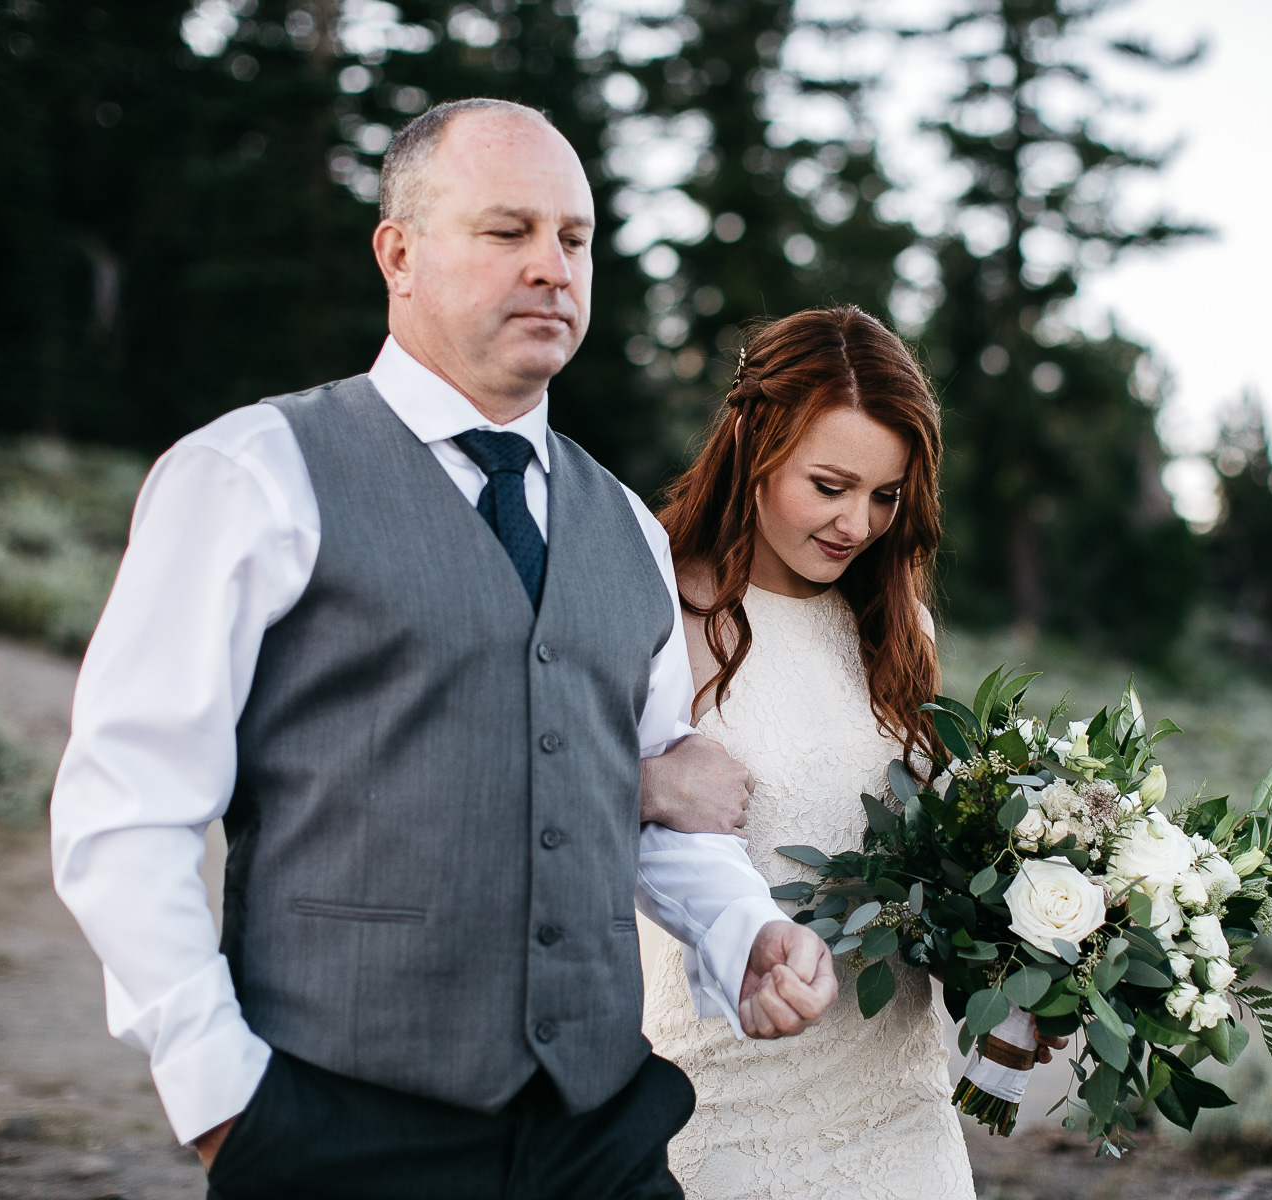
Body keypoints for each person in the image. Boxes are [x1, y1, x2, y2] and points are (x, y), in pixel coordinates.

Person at [48, 98, 836, 1200]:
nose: (552, 268)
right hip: (339, 1126)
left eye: (574, 238)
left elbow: (656, 804)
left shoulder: (626, 528)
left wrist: (739, 932)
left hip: (599, 1131)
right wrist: (221, 1095)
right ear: (400, 253)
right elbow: (127, 806)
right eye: (506, 232)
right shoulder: (250, 475)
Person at [638, 307, 973, 1198]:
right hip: (727, 1105)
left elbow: (932, 865)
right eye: (829, 484)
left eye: (886, 495)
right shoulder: (659, 611)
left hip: (900, 1105)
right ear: (756, 444)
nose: (857, 523)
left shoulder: (902, 632)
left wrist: (1023, 957)